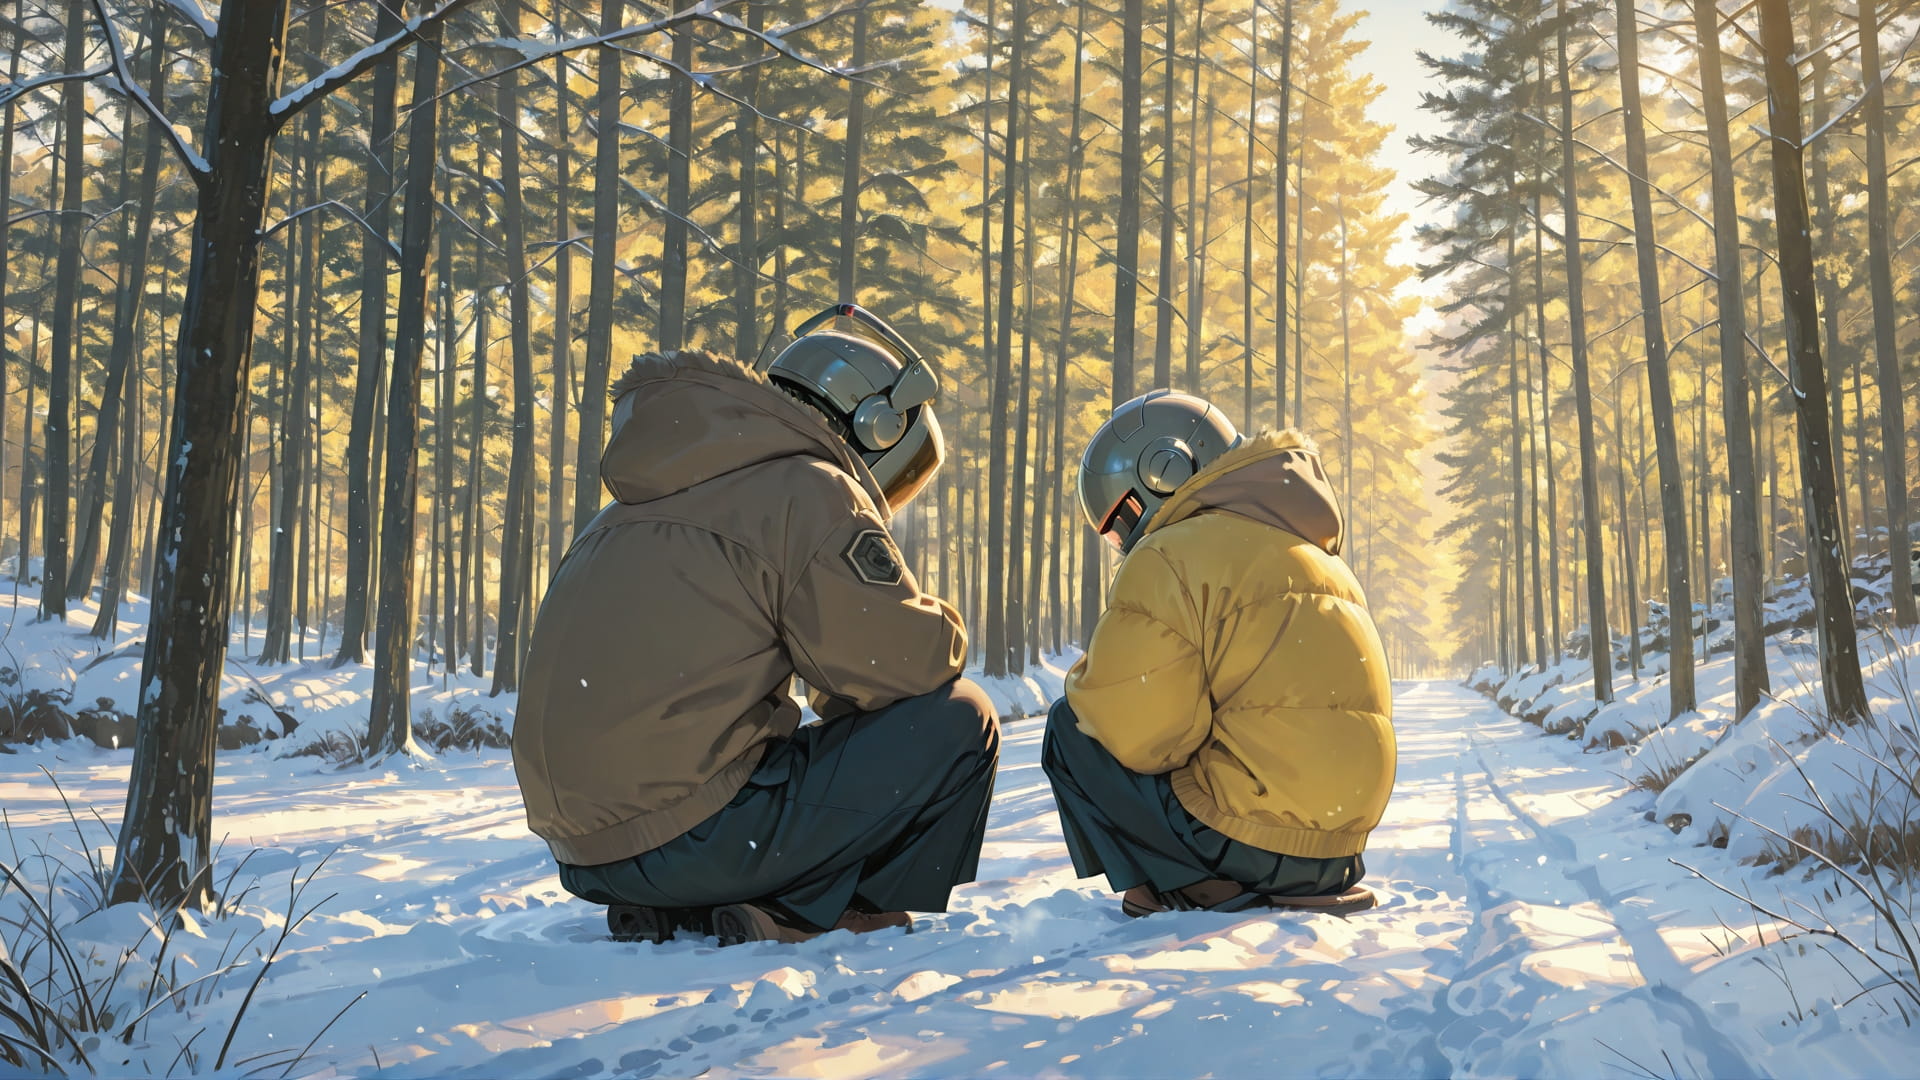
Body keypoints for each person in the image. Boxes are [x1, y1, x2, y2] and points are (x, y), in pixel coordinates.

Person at [511, 303, 1000, 946]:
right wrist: (943, 623)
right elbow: (900, 668)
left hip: (587, 855)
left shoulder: (626, 508)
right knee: (959, 715)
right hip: (700, 840)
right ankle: (823, 906)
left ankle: (692, 904)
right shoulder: (808, 487)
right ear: (874, 426)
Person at [1041, 389, 1395, 918]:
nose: (1123, 539)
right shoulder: (1315, 553)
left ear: (1161, 471)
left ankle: (1192, 882)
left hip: (1249, 845)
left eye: (1121, 518)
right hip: (1339, 850)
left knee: (1074, 725)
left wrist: (1090, 683)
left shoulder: (1171, 553)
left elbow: (1146, 739)